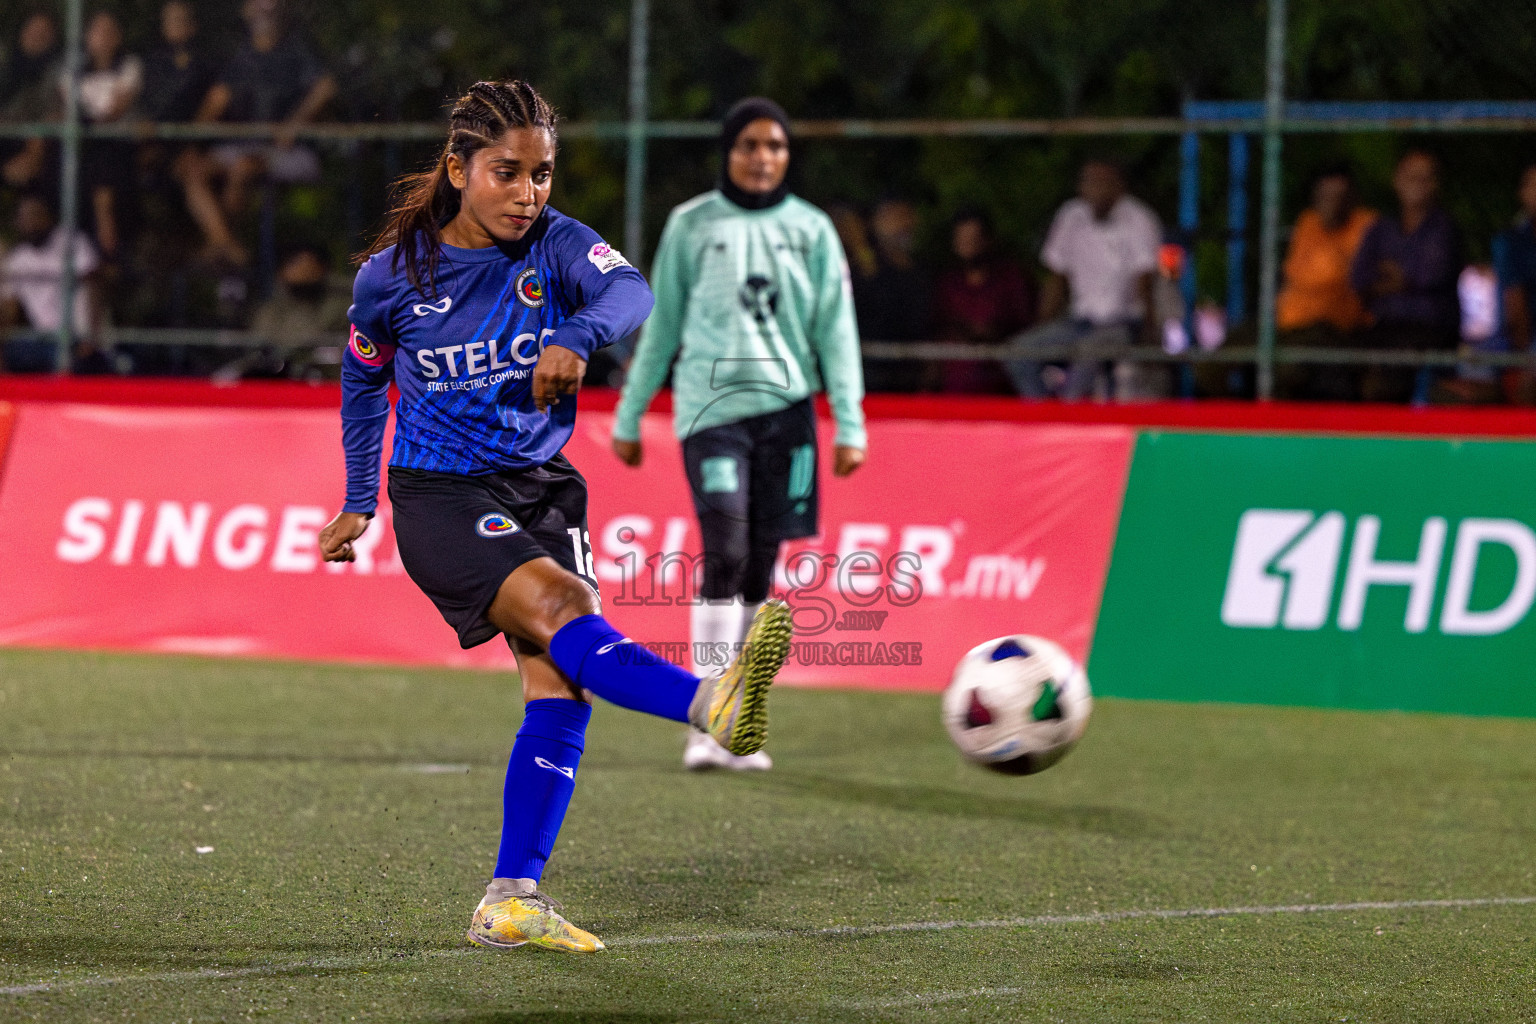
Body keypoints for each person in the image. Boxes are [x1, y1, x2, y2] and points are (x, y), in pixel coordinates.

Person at [317, 81, 793, 954]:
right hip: (441, 495)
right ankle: (708, 705)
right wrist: (357, 498)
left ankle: (511, 897)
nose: (528, 193)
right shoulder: (394, 277)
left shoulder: (558, 243)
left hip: (544, 487)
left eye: (541, 174)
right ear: (459, 170)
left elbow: (634, 294)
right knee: (564, 611)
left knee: (562, 684)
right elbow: (361, 382)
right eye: (507, 173)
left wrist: (578, 336)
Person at [610, 97, 865, 772]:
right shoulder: (693, 225)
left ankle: (739, 720)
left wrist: (850, 419)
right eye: (749, 144)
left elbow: (835, 327)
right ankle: (704, 719)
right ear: (728, 151)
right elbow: (661, 326)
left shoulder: (811, 229)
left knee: (760, 564)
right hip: (711, 411)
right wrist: (631, 414)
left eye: (775, 146)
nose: (762, 157)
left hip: (789, 415)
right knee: (722, 550)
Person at [179, 0, 337, 265]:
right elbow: (216, 101)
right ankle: (224, 242)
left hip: (289, 151)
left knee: (244, 168)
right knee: (192, 168)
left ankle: (227, 246)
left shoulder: (296, 50)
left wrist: (295, 123)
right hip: (243, 146)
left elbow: (326, 87)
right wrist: (194, 137)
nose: (263, 9)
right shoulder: (242, 56)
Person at [1008, 158, 1162, 401]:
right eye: (1089, 182)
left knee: (1085, 362)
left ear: (1119, 186)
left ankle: (1070, 420)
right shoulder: (1071, 216)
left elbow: (1144, 280)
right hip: (1079, 322)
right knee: (1018, 353)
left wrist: (1151, 330)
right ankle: (1044, 415)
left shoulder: (1139, 219)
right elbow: (1056, 277)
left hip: (1122, 323)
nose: (1095, 189)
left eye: (1102, 182)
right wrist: (1042, 324)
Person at [1349, 150, 1462, 403]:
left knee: (1390, 372)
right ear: (1397, 181)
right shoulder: (1381, 228)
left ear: (1435, 184)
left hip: (1430, 330)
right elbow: (1359, 278)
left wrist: (1393, 277)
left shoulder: (1444, 229)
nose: (1418, 185)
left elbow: (1430, 275)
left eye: (1426, 178)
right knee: (1340, 360)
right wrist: (1399, 280)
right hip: (1384, 326)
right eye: (1411, 177)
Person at [1271, 165, 1377, 401]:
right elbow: (1293, 275)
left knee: (1290, 365)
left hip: (1332, 327)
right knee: (1225, 354)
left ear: (1352, 198)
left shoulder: (1367, 225)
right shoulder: (1308, 222)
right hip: (1287, 325)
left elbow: (1342, 279)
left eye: (1339, 196)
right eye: (1325, 195)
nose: (1331, 202)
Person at [931, 208, 1033, 393]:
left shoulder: (1010, 279)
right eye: (962, 240)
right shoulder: (947, 284)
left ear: (988, 240)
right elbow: (938, 328)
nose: (968, 246)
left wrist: (992, 332)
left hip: (1001, 387)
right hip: (954, 390)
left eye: (974, 239)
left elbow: (1025, 326)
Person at [68, 11, 142, 261]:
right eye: (98, 30)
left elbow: (116, 109)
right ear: (87, 37)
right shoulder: (73, 70)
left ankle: (106, 228)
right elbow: (69, 108)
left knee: (105, 151)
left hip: (120, 145)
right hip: (84, 145)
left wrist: (90, 120)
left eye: (110, 31)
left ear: (119, 38)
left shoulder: (130, 66)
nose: (104, 36)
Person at [0, 191, 101, 371]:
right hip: (40, 339)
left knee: (66, 359)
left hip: (75, 336)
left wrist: (91, 336)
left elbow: (94, 288)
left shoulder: (72, 241)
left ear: (49, 217)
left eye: (36, 216)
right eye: (25, 218)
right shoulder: (18, 259)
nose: (31, 223)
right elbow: (10, 308)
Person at [858, 197, 932, 392]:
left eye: (908, 216)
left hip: (914, 378)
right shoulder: (864, 271)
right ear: (876, 223)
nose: (904, 225)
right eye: (896, 217)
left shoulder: (922, 271)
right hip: (871, 377)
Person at [1, 11, 60, 194]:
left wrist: (35, 150)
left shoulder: (58, 71)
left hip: (37, 144)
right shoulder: (7, 69)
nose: (37, 35)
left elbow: (58, 113)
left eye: (44, 31)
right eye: (32, 29)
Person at [1494, 163, 1536, 404]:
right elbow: (1515, 309)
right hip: (1515, 340)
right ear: (1522, 193)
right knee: (1470, 370)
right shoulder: (1511, 242)